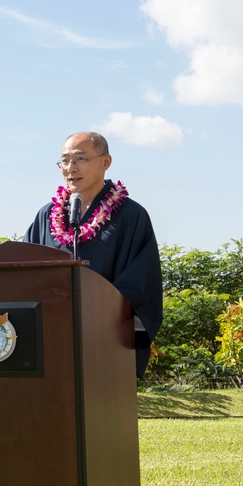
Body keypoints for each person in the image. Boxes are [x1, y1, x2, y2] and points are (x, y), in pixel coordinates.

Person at [24, 131, 162, 378]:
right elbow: (25, 272)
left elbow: (140, 284)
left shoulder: (131, 216)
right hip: (52, 341)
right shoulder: (47, 216)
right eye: (64, 161)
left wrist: (91, 313)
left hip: (104, 343)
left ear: (105, 162)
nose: (70, 168)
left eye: (80, 159)